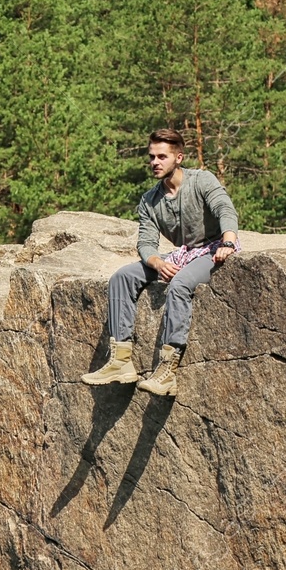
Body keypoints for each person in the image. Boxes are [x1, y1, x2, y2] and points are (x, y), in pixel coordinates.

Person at [82, 128, 240, 397]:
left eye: (162, 156)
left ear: (178, 157)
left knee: (179, 284)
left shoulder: (202, 180)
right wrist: (157, 263)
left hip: (214, 251)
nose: (155, 162)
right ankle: (121, 361)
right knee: (123, 276)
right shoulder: (150, 200)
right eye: (152, 156)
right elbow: (146, 243)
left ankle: (167, 371)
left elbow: (225, 208)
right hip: (184, 253)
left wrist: (228, 241)